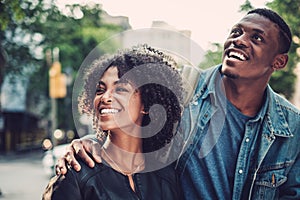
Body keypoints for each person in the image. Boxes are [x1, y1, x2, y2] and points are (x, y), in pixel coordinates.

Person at [56, 8, 300, 199]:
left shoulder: (292, 127)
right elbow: (129, 118)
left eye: (256, 38)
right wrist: (91, 142)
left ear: (279, 62)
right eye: (236, 32)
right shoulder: (182, 87)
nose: (239, 40)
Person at [42, 44, 185, 199]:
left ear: (146, 104)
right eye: (100, 90)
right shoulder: (76, 174)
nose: (105, 97)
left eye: (120, 89)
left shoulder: (166, 178)